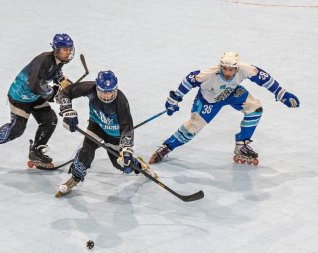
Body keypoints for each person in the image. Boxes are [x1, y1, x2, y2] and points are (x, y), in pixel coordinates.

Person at [149, 51, 300, 165]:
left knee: (255, 108)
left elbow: (263, 77)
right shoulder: (209, 74)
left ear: (236, 68)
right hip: (209, 101)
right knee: (192, 128)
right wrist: (173, 99)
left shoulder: (244, 69)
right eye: (225, 69)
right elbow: (190, 79)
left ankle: (242, 144)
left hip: (231, 93)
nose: (228, 73)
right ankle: (166, 147)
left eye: (231, 70)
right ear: (221, 67)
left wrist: (281, 93)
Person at [0, 33, 75, 168]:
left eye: (69, 49)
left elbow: (54, 73)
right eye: (64, 49)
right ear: (56, 49)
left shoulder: (57, 61)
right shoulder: (44, 60)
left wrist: (62, 81)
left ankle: (36, 152)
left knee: (49, 120)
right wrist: (53, 93)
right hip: (20, 96)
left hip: (33, 96)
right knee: (17, 128)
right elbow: (35, 85)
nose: (68, 52)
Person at [55, 70, 156, 197]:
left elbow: (127, 127)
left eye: (110, 92)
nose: (107, 96)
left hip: (114, 134)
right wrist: (67, 109)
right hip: (96, 125)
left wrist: (126, 148)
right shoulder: (90, 88)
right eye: (103, 92)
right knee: (86, 151)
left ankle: (138, 164)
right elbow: (66, 92)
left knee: (121, 165)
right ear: (97, 87)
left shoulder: (121, 101)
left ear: (116, 89)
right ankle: (75, 177)